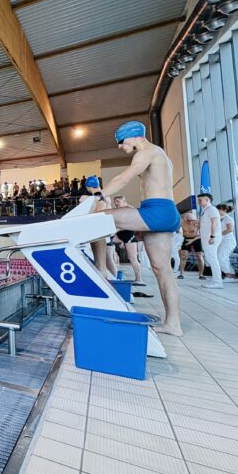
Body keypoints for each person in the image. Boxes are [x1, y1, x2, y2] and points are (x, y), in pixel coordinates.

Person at [99, 121, 183, 336]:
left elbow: (123, 178)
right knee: (162, 270)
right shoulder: (159, 154)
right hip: (165, 211)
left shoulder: (147, 151)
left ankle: (100, 271)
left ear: (134, 135)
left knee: (98, 217)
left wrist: (97, 197)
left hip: (156, 210)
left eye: (120, 140)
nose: (119, 146)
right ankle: (173, 325)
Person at [82, 176, 117, 279]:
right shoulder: (104, 195)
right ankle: (112, 283)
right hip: (105, 231)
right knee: (105, 262)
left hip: (99, 232)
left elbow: (98, 214)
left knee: (101, 264)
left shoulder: (98, 197)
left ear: (88, 187)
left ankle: (110, 286)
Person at [112, 195, 144, 285]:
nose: (116, 203)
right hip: (119, 235)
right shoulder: (118, 211)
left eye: (118, 201)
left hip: (129, 236)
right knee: (106, 241)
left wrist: (126, 204)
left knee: (133, 258)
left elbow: (135, 211)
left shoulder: (129, 210)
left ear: (124, 201)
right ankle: (113, 261)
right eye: (115, 201)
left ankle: (139, 279)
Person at [197, 193, 223, 289]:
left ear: (207, 200)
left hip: (211, 238)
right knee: (210, 259)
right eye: (198, 200)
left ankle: (218, 282)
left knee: (212, 258)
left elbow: (215, 223)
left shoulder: (212, 209)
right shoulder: (205, 210)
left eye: (200, 200)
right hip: (206, 238)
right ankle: (215, 280)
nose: (199, 202)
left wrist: (212, 236)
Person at [178, 211, 204, 279]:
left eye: (191, 220)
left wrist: (192, 240)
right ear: (184, 219)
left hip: (196, 239)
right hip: (186, 238)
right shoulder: (181, 222)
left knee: (199, 256)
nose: (190, 222)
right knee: (183, 256)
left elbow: (204, 234)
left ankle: (201, 275)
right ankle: (181, 274)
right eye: (188, 220)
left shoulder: (197, 223)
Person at [216, 204, 238, 282]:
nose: (217, 211)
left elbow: (229, 230)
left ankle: (230, 276)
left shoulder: (228, 218)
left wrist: (218, 235)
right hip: (223, 241)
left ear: (224, 210)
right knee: (222, 258)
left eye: (218, 209)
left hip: (228, 241)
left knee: (221, 258)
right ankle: (231, 276)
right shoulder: (220, 219)